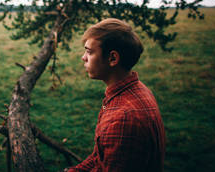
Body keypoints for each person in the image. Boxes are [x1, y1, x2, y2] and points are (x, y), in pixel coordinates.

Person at [66, 18, 165, 172]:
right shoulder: (136, 89)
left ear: (112, 58)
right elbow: (99, 158)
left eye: (89, 52)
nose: (83, 57)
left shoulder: (123, 119)